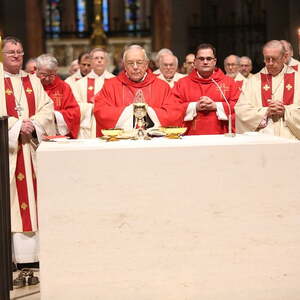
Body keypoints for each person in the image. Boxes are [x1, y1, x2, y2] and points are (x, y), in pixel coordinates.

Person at [0, 36, 55, 264]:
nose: (16, 55)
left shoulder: (33, 81)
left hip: (30, 151)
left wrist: (33, 124)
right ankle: (11, 258)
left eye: (20, 52)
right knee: (11, 204)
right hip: (8, 153)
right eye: (11, 51)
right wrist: (15, 125)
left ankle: (33, 258)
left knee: (33, 202)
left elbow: (47, 107)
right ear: (2, 54)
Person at [93, 45, 184, 135]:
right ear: (124, 65)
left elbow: (174, 114)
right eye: (130, 63)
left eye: (139, 62)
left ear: (146, 64)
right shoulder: (111, 86)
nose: (135, 67)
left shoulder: (162, 86)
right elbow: (101, 112)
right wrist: (130, 110)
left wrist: (148, 110)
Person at [235, 40, 300, 139]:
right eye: (266, 59)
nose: (270, 63)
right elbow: (241, 111)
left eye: (274, 59)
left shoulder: (298, 79)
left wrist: (285, 111)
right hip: (261, 139)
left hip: (291, 139)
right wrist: (266, 112)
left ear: (284, 57)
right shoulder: (253, 81)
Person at [172, 43, 240, 135]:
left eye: (209, 59)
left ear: (214, 61)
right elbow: (173, 108)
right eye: (201, 59)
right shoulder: (182, 83)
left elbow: (239, 107)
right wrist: (195, 106)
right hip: (191, 137)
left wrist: (216, 106)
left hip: (221, 136)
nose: (205, 62)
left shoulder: (229, 82)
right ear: (195, 62)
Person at [72, 48, 114, 138]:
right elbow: (75, 105)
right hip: (88, 127)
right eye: (96, 58)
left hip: (110, 126)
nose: (99, 60)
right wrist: (93, 106)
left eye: (102, 58)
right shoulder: (80, 83)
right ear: (91, 61)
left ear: (106, 61)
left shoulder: (115, 81)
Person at [36, 54, 80, 139]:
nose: (47, 79)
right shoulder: (29, 84)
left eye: (51, 75)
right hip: (33, 132)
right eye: (44, 75)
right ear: (36, 70)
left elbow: (74, 112)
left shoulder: (63, 87)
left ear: (56, 71)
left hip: (55, 133)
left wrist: (55, 116)